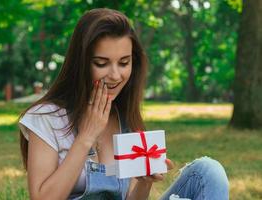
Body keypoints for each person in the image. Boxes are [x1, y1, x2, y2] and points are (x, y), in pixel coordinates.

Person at [19, 8, 229, 200]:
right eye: (101, 63)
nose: (115, 75)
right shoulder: (46, 118)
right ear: (81, 63)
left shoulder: (124, 118)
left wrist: (144, 182)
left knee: (207, 170)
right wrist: (86, 137)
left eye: (124, 62)